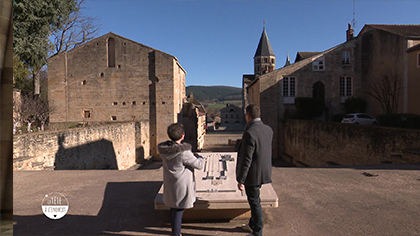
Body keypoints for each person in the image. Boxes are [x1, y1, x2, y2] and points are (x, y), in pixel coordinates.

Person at [158, 123, 204, 236]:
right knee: (178, 211)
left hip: (171, 183)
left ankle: (175, 232)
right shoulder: (183, 152)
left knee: (174, 209)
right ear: (182, 135)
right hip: (181, 185)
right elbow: (199, 165)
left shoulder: (163, 150)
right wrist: (200, 157)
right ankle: (176, 234)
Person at [236, 104, 273, 236]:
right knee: (255, 198)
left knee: (254, 202)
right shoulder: (268, 129)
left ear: (248, 116)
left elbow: (247, 159)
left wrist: (241, 179)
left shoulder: (249, 133)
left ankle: (257, 232)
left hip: (253, 174)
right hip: (264, 171)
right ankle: (252, 225)